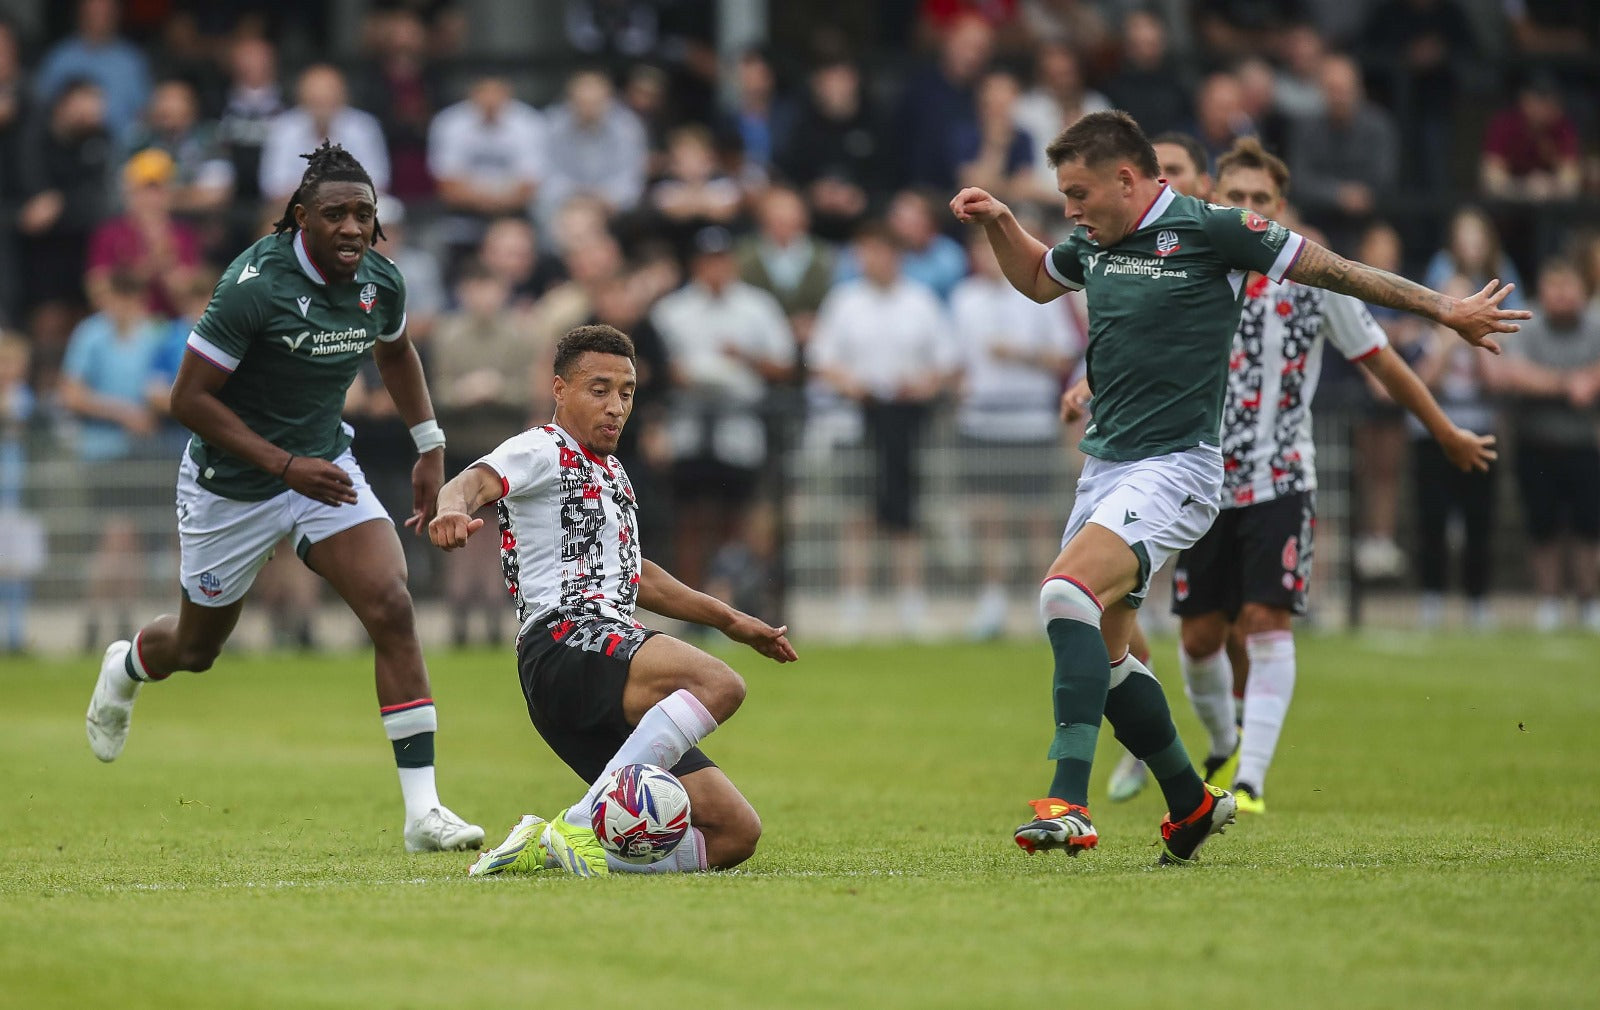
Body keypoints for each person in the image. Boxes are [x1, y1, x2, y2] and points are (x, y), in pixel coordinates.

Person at [949, 110, 1524, 862]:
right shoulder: (1096, 240)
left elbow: (1337, 271)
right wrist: (998, 220)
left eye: (1078, 192)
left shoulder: (1215, 229)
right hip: (1107, 469)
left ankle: (1069, 800)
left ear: (1127, 178)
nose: (1070, 209)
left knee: (1063, 597)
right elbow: (1032, 277)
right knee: (1112, 657)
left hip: (1178, 467)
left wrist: (1443, 307)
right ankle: (1190, 805)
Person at [82, 142, 484, 854]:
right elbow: (188, 400)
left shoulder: (378, 282)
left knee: (391, 605)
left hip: (323, 469)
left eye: (365, 214)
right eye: (336, 214)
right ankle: (130, 664)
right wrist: (281, 464)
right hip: (230, 485)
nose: (353, 228)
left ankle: (423, 812)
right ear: (301, 217)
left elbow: (395, 351)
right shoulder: (252, 286)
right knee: (198, 648)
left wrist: (430, 444)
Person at [1161, 140, 1494, 814]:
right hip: (1200, 479)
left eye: (1261, 200)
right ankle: (1225, 738)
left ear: (1278, 209)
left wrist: (1444, 429)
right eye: (1236, 197)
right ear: (1213, 197)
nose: (1248, 208)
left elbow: (1381, 361)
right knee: (1199, 638)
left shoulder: (1306, 276)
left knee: (1265, 619)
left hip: (1283, 476)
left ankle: (1250, 780)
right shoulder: (1187, 266)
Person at [428, 324, 798, 878]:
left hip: (605, 667)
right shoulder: (541, 448)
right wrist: (450, 508)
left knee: (734, 835)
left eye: (626, 392)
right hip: (563, 643)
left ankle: (551, 845)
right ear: (560, 389)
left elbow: (635, 575)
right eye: (598, 389)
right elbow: (471, 482)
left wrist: (730, 619)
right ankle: (579, 820)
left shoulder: (614, 472)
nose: (616, 406)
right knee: (719, 684)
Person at [951, 228, 1078, 639]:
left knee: (1037, 517)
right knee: (989, 516)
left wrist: (1019, 354)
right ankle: (993, 601)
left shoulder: (1044, 295)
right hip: (982, 421)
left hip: (1031, 422)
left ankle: (1042, 598)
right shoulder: (964, 298)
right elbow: (952, 359)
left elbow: (1063, 355)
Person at [1491, 259, 1600, 632]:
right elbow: (1513, 373)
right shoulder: (1528, 321)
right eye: (1554, 287)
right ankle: (1549, 602)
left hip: (1586, 443)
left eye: (1568, 287)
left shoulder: (1596, 323)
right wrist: (1569, 384)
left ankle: (1590, 601)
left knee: (1590, 528)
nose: (1562, 296)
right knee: (1543, 528)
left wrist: (1590, 380)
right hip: (1536, 442)